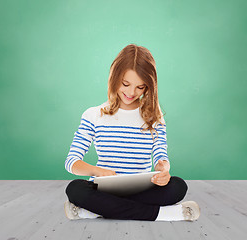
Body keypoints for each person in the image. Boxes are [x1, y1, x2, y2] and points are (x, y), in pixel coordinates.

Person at [64, 44, 200, 221]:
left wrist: (163, 169)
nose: (130, 92)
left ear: (148, 87)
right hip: (104, 189)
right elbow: (71, 162)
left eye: (140, 87)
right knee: (75, 189)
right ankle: (164, 214)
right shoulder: (93, 115)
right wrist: (97, 171)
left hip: (142, 189)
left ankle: (94, 210)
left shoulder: (154, 116)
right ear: (114, 78)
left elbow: (161, 155)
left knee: (178, 186)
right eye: (125, 84)